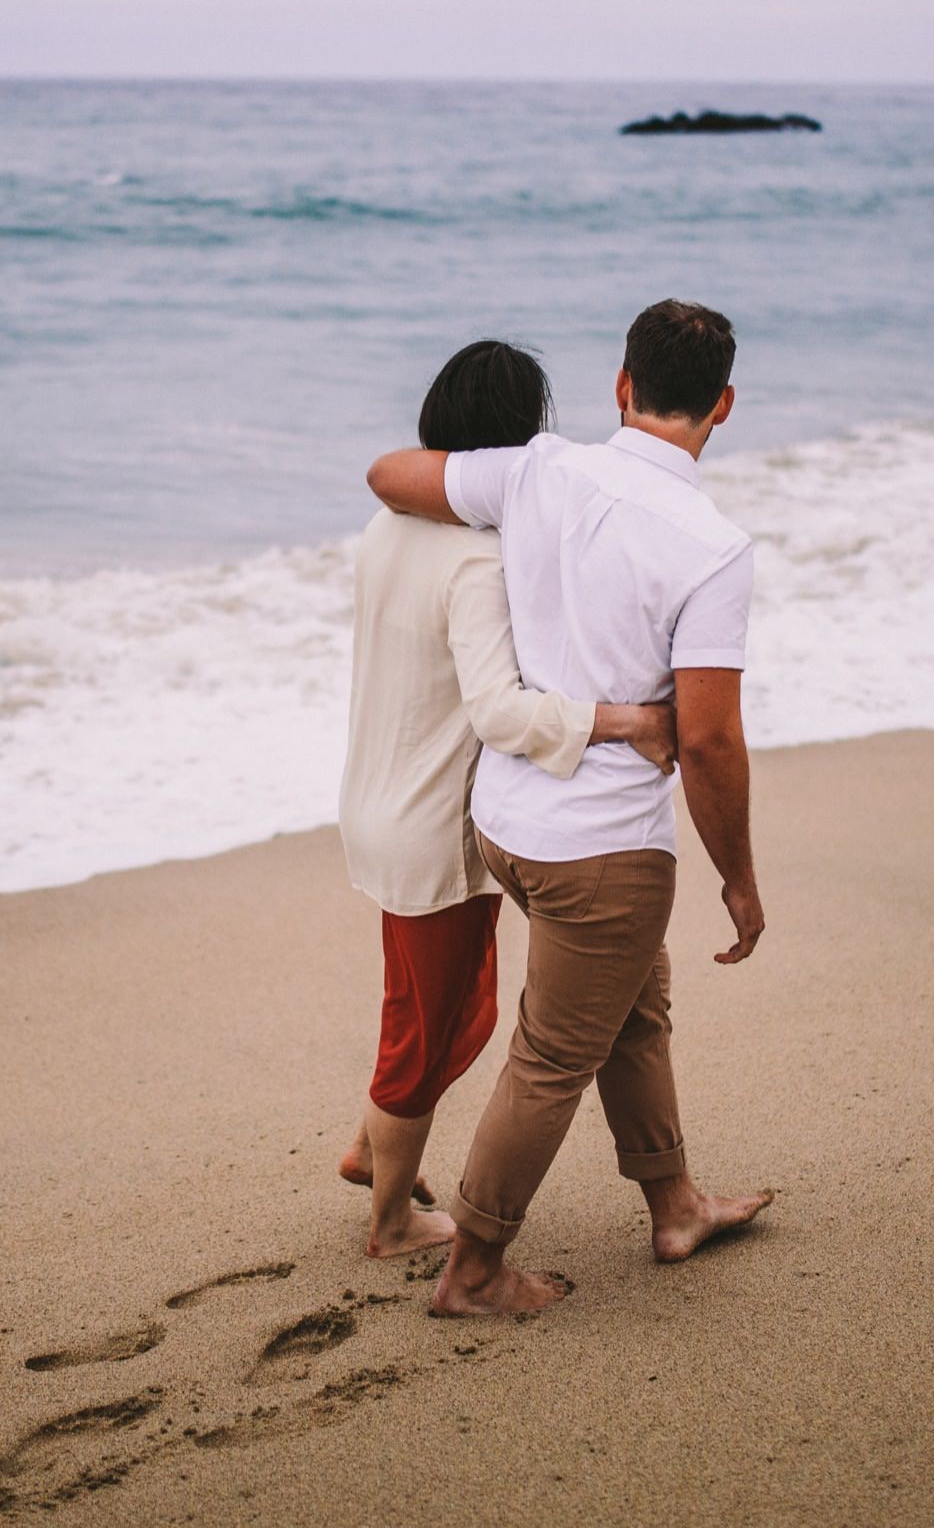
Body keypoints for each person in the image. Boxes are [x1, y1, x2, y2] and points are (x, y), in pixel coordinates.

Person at [365, 299, 773, 1315]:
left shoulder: (539, 469)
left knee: (634, 1011)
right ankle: (471, 1270)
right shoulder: (713, 548)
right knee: (551, 1058)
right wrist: (738, 876)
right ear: (723, 406)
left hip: (508, 827)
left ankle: (674, 1202)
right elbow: (711, 739)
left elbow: (389, 474)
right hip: (604, 851)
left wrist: (481, 503)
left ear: (622, 387)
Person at [337, 339, 677, 1259]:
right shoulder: (479, 562)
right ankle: (391, 1221)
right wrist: (623, 720)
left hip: (372, 806)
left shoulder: (386, 530)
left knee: (421, 1005)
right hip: (430, 829)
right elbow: (497, 710)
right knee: (437, 1026)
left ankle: (373, 1153)